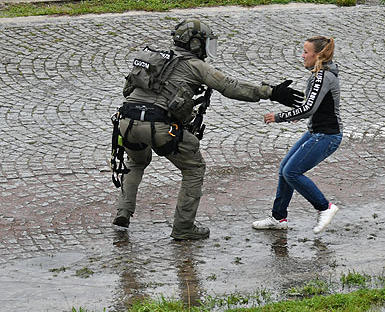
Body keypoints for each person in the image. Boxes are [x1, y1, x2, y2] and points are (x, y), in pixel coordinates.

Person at [112, 19, 303, 240]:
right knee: (194, 169)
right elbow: (231, 87)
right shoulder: (197, 67)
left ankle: (123, 213)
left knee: (136, 161)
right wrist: (270, 92)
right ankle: (183, 228)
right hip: (159, 125)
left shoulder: (152, 59)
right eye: (204, 43)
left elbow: (127, 91)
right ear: (194, 44)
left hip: (126, 121)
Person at [252, 36, 343, 234]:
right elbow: (314, 104)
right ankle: (278, 218)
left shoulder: (322, 76)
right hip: (316, 132)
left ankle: (324, 207)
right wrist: (298, 114)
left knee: (292, 172)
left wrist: (279, 117)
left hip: (326, 136)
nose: (302, 55)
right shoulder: (320, 73)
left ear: (317, 55)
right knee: (285, 168)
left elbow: (309, 108)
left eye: (305, 52)